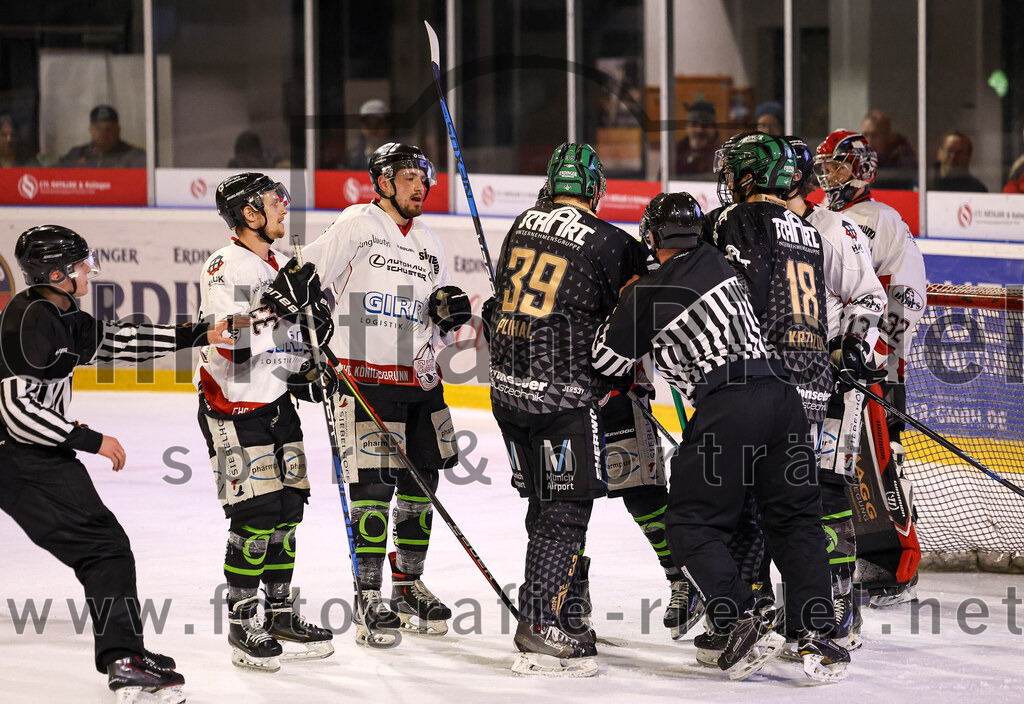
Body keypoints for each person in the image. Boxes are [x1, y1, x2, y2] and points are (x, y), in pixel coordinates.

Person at [591, 192, 849, 683]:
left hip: (728, 406)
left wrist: (628, 298)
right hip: (783, 398)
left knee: (688, 525)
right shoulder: (720, 260)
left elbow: (606, 362)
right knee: (796, 520)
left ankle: (741, 615)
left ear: (651, 239)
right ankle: (819, 635)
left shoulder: (646, 292)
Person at [0, 225, 238, 702]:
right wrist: (89, 439)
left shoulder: (60, 312)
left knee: (104, 546)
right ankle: (125, 660)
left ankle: (126, 652)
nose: (90, 272)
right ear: (58, 273)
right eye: (81, 265)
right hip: (21, 457)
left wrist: (197, 332)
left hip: (28, 454)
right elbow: (17, 413)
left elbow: (121, 344)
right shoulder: (28, 320)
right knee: (104, 548)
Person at [292, 143, 470, 643]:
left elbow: (444, 313)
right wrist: (307, 335)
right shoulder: (357, 223)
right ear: (384, 182)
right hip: (365, 376)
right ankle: (368, 594)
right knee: (372, 486)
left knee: (423, 484)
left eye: (424, 178)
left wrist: (449, 312)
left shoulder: (431, 241)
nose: (420, 185)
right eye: (409, 176)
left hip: (422, 379)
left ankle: (407, 586)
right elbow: (304, 279)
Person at [483, 142, 649, 677]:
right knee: (567, 510)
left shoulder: (522, 223)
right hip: (563, 397)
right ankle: (539, 623)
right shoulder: (613, 243)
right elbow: (631, 323)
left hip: (507, 393)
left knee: (543, 503)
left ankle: (568, 608)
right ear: (596, 189)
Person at [194, 172, 336, 672]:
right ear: (249, 214)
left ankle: (277, 614)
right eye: (275, 201)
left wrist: (311, 361)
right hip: (232, 408)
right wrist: (278, 304)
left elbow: (287, 340)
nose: (284, 208)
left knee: (288, 511)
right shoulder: (225, 266)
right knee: (254, 516)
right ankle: (241, 624)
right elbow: (229, 344)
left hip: (276, 405)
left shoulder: (274, 261)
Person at [814, 129, 928, 606]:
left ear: (860, 168)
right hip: (836, 366)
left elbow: (907, 292)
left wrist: (883, 353)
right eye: (824, 167)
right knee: (845, 467)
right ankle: (863, 553)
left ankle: (897, 565)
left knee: (883, 466)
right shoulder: (825, 218)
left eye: (837, 166)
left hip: (873, 370)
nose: (828, 175)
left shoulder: (883, 220)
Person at [784, 135, 887, 648]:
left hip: (831, 384)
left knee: (824, 487)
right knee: (780, 490)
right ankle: (799, 600)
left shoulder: (837, 229)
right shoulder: (765, 229)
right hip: (782, 385)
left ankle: (840, 598)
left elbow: (870, 295)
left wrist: (850, 344)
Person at [58, 105, 146, 168]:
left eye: (109, 128)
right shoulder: (78, 154)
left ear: (118, 130)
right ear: (91, 129)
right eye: (98, 128)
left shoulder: (134, 156)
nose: (103, 133)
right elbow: (53, 175)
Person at [860, 109, 916, 188]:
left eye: (875, 135)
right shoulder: (860, 160)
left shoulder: (903, 159)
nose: (869, 141)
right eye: (865, 135)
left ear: (888, 136)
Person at [345, 99, 394, 169]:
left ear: (388, 126)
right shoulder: (353, 155)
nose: (373, 130)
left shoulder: (397, 155)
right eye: (368, 124)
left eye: (378, 124)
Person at [676, 101, 719, 175]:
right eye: (694, 124)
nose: (699, 130)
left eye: (705, 125)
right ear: (687, 126)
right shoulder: (676, 151)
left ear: (714, 129)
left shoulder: (720, 155)